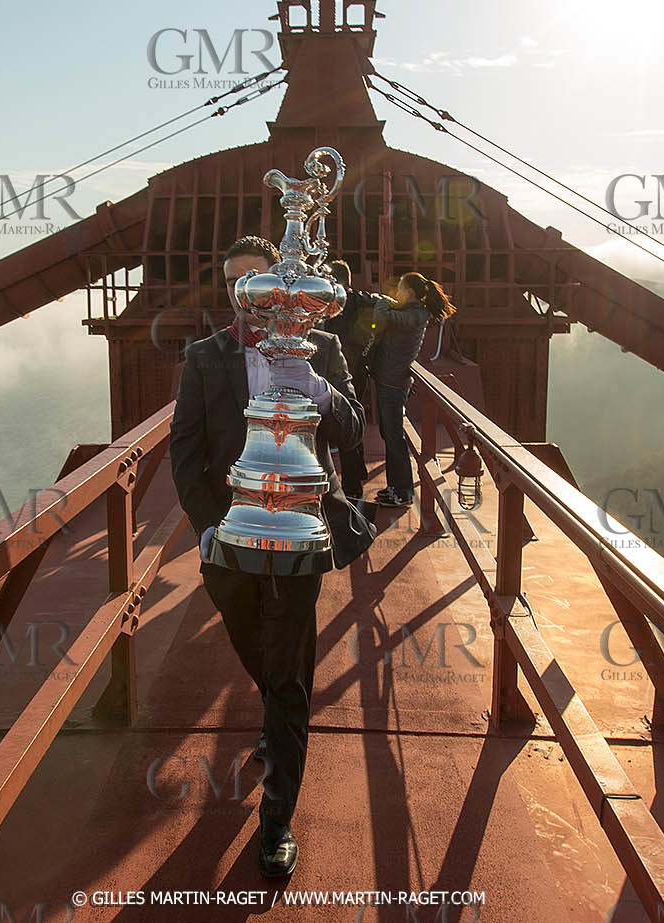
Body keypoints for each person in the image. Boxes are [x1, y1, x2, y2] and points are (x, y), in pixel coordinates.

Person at [168, 236, 376, 879]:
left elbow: (351, 431)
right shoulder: (206, 356)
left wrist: (317, 388)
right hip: (229, 541)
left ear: (284, 283)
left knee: (288, 677)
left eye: (256, 278)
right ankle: (276, 713)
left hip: (299, 535)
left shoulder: (323, 349)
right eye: (237, 283)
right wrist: (207, 525)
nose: (248, 294)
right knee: (255, 650)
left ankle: (277, 820)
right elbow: (185, 449)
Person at [368, 272, 457, 508]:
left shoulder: (416, 315)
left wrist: (382, 300)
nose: (395, 292)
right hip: (389, 381)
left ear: (409, 293)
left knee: (394, 439)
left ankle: (404, 492)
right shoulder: (411, 312)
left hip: (393, 384)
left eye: (399, 288)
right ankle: (394, 488)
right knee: (389, 436)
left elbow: (381, 317)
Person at [318, 259, 376, 499]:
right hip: (357, 370)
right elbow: (373, 331)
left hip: (338, 370)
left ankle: (351, 486)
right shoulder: (364, 301)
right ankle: (357, 472)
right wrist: (364, 356)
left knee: (342, 425)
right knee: (354, 418)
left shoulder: (335, 301)